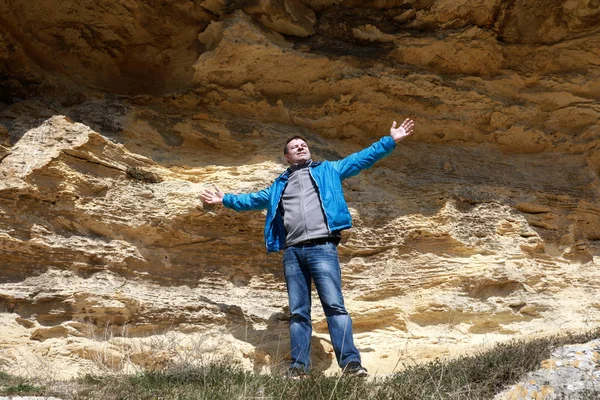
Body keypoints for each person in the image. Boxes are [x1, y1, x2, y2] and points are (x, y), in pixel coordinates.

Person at [201, 118, 415, 378]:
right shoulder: (278, 186)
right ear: (286, 156)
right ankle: (299, 368)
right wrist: (224, 199)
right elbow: (252, 199)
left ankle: (351, 364)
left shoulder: (329, 170)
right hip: (292, 252)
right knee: (298, 312)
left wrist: (390, 140)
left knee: (335, 306)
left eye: (303, 144)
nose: (301, 147)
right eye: (295, 146)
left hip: (322, 247)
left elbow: (361, 159)